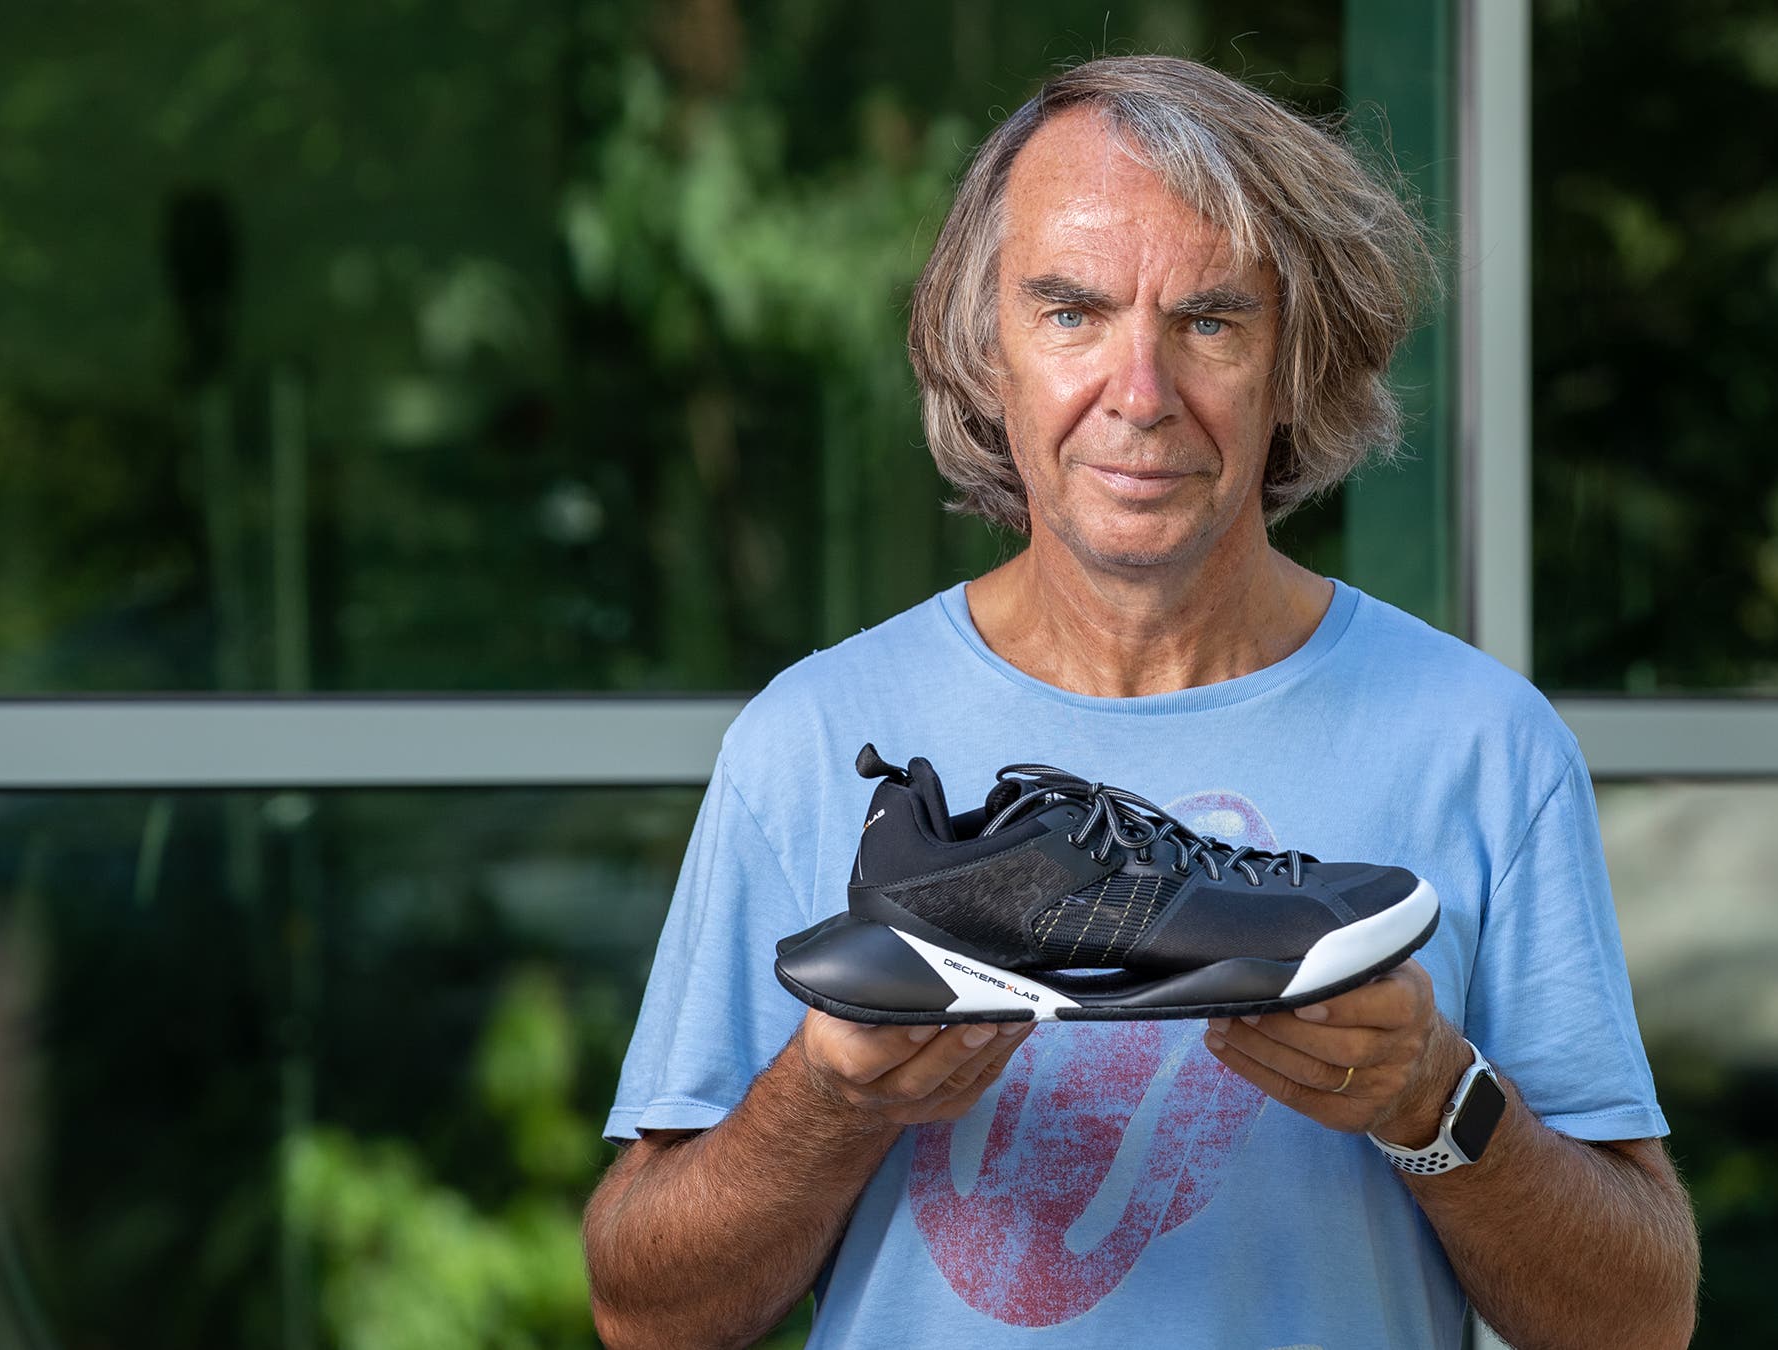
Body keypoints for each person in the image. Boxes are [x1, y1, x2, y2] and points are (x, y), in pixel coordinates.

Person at [582, 55, 1699, 1349]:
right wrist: (831, 1099)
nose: (1141, 393)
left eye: (1210, 321)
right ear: (986, 349)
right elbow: (643, 1313)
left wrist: (1433, 1101)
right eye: (1072, 312)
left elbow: (1641, 1322)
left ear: (1296, 361)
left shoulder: (1484, 743)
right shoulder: (810, 738)